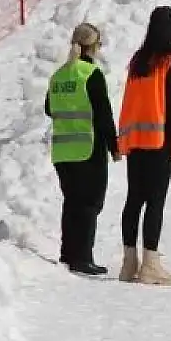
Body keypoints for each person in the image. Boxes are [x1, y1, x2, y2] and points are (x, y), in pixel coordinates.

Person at [116, 6, 171, 286]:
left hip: (136, 141)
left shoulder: (138, 60)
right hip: (158, 140)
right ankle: (150, 264)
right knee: (156, 200)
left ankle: (128, 263)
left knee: (134, 198)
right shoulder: (169, 60)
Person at [44, 23, 119, 276]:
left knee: (72, 203)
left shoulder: (59, 75)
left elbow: (48, 108)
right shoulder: (90, 74)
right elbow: (103, 114)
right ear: (93, 46)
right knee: (89, 204)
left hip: (62, 152)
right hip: (88, 148)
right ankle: (83, 258)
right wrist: (114, 146)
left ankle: (68, 253)